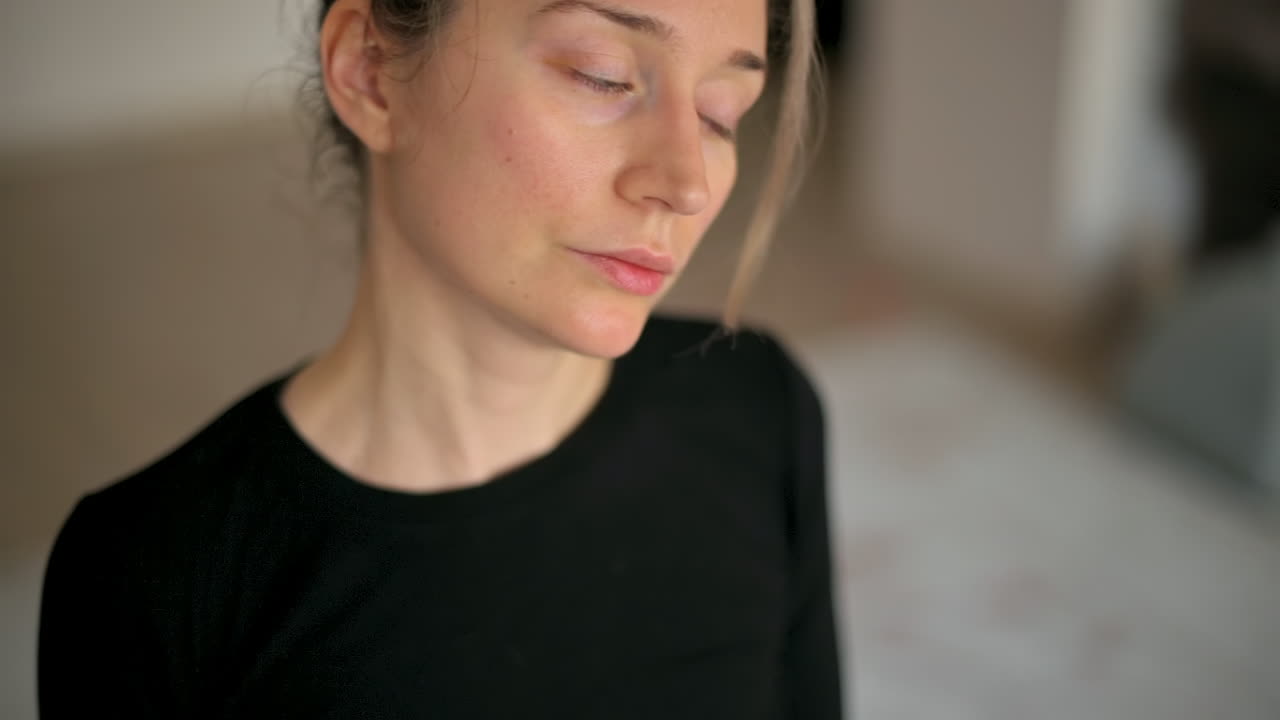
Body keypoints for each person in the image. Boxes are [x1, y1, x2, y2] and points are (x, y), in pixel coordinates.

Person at [37, 0, 842, 717]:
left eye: (721, 112)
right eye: (603, 77)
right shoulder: (154, 577)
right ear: (371, 73)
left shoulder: (757, 406)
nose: (687, 182)